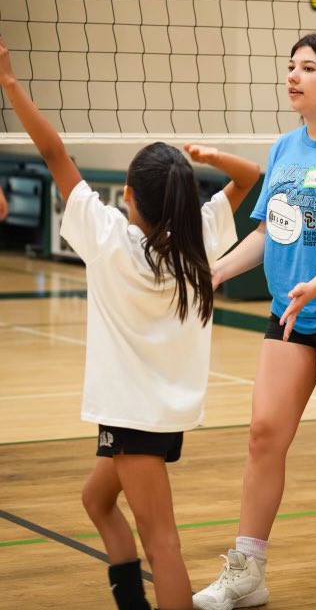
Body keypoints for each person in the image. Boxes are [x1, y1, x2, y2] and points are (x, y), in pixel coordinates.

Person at [0, 35, 260, 610]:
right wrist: (213, 159)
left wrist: (9, 83)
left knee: (161, 540)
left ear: (130, 198)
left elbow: (55, 156)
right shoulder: (200, 239)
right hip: (162, 415)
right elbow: (251, 177)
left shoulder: (111, 241)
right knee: (96, 502)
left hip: (134, 415)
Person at [193, 32, 316, 609]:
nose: (292, 76)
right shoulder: (285, 147)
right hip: (289, 314)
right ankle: (248, 571)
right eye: (290, 67)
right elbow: (266, 233)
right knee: (264, 436)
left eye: (307, 68)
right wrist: (216, 271)